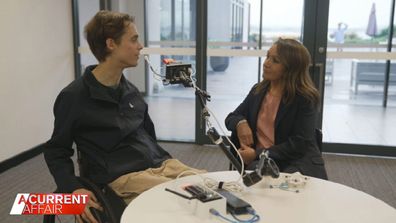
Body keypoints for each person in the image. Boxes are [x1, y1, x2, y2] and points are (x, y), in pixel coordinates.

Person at [44, 11, 202, 223]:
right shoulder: (74, 97)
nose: (140, 46)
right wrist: (73, 188)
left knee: (210, 185)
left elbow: (148, 135)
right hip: (122, 177)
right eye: (134, 39)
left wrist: (164, 164)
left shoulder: (130, 91)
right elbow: (56, 150)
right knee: (185, 204)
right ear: (111, 44)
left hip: (159, 164)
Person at [225, 38, 328, 180]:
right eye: (267, 57)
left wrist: (257, 154)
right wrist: (240, 123)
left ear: (291, 68)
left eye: (275, 61)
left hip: (294, 161)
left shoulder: (305, 98)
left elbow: (298, 144)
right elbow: (231, 118)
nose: (266, 63)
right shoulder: (258, 90)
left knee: (266, 183)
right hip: (262, 162)